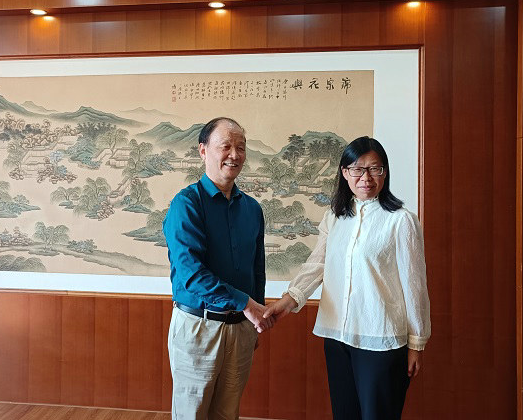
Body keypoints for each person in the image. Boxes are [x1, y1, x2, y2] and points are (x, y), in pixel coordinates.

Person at [264, 136, 431, 420]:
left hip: (380, 339)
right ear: (344, 172)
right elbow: (318, 264)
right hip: (337, 336)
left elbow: (415, 286)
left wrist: (416, 343)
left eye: (375, 169)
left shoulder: (400, 220)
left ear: (385, 172)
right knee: (344, 414)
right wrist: (289, 300)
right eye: (357, 169)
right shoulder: (335, 217)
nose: (366, 177)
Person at [163, 117, 273, 420]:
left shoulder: (252, 209)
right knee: (192, 413)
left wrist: (254, 314)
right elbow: (191, 273)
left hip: (241, 328)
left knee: (228, 413)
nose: (234, 155)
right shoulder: (186, 204)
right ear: (203, 150)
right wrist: (246, 304)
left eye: (241, 147)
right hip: (198, 327)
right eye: (225, 146)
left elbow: (257, 269)